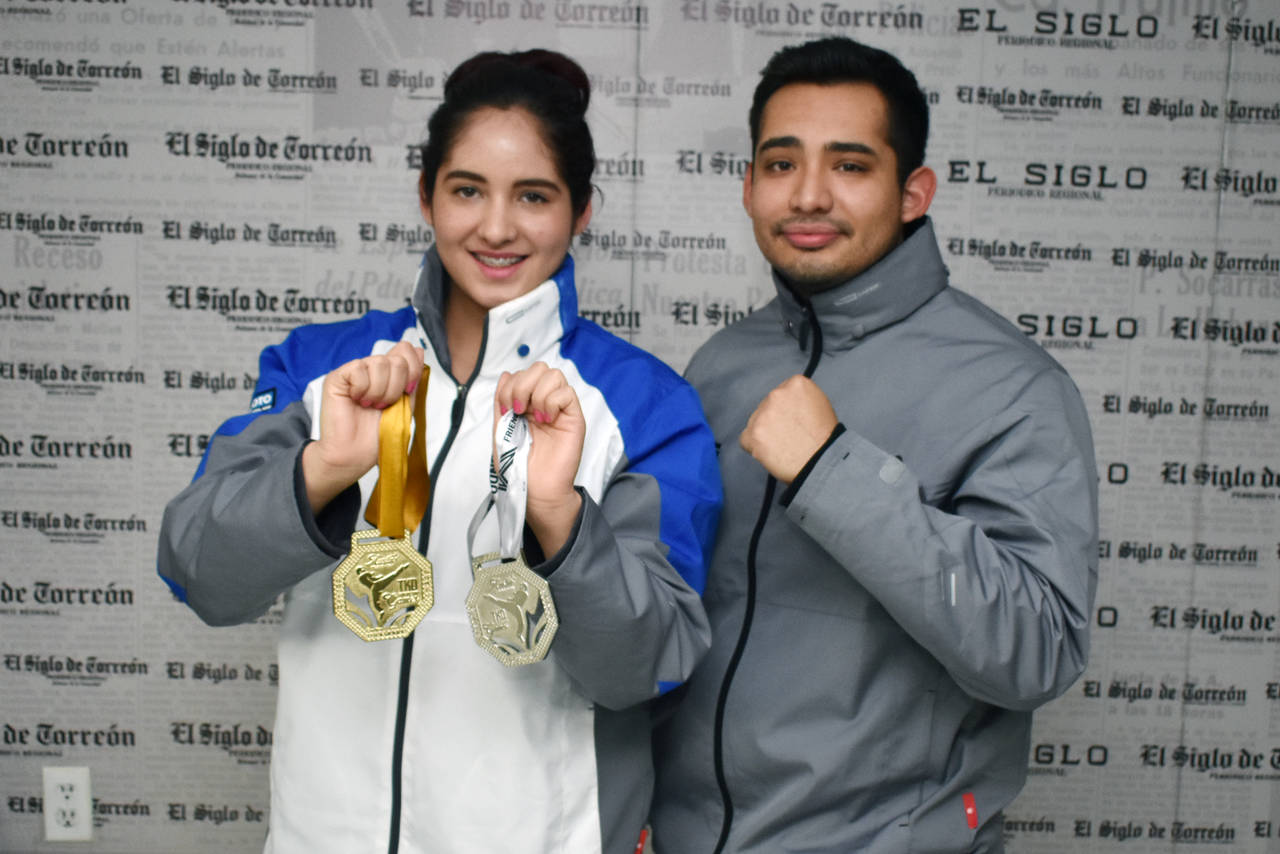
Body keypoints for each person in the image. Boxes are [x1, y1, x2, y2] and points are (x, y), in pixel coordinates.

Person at [157, 49, 721, 854]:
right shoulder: (322, 367)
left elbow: (648, 667)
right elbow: (197, 572)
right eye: (467, 190)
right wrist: (323, 471)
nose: (496, 227)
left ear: (581, 211)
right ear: (426, 197)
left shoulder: (645, 405)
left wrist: (560, 517)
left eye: (534, 196)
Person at [650, 37, 1098, 853]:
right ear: (749, 186)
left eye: (851, 166)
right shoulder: (720, 365)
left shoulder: (1014, 386)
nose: (810, 195)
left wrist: (831, 469)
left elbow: (1038, 652)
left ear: (913, 192)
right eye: (782, 165)